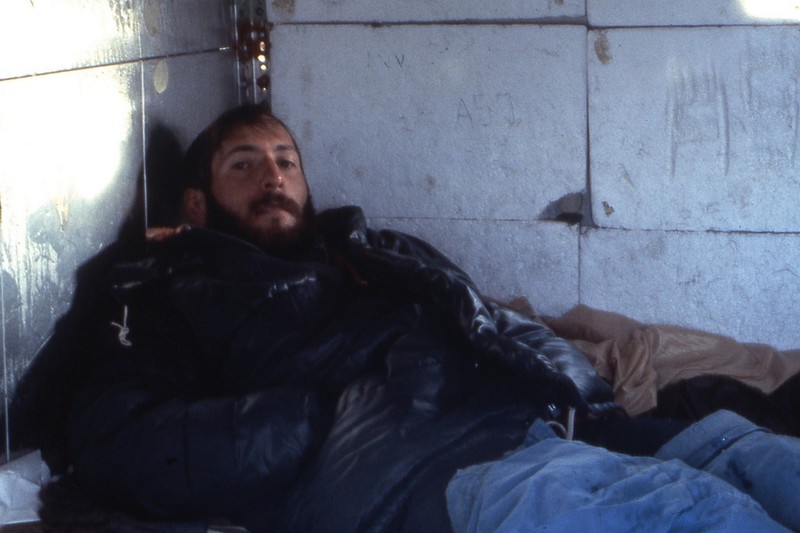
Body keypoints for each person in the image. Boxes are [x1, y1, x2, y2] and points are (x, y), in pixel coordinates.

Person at [8, 104, 799, 532]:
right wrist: (316, 415)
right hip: (437, 468)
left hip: (556, 420)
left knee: (750, 451)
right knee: (688, 512)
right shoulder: (167, 290)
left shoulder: (367, 249)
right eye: (243, 164)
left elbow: (483, 318)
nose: (273, 177)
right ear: (196, 201)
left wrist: (579, 386)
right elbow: (117, 436)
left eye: (286, 160)